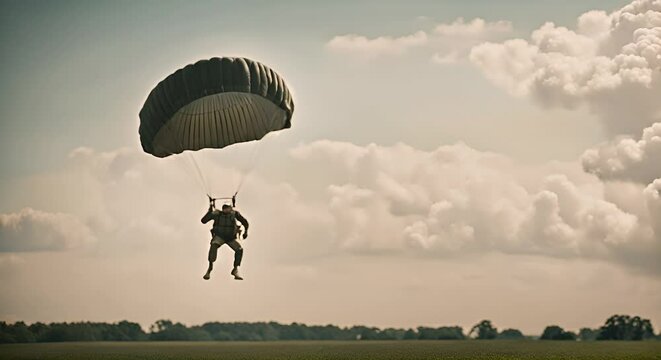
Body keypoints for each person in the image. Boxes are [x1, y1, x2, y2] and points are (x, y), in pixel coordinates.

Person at [201, 202, 249, 280]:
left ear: (230, 208)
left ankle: (235, 269)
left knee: (239, 249)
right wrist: (209, 212)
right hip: (220, 236)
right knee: (213, 245)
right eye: (224, 208)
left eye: (227, 208)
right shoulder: (217, 214)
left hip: (231, 238)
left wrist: (246, 232)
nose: (225, 210)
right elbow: (203, 221)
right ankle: (210, 268)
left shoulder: (235, 214)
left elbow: (245, 222)